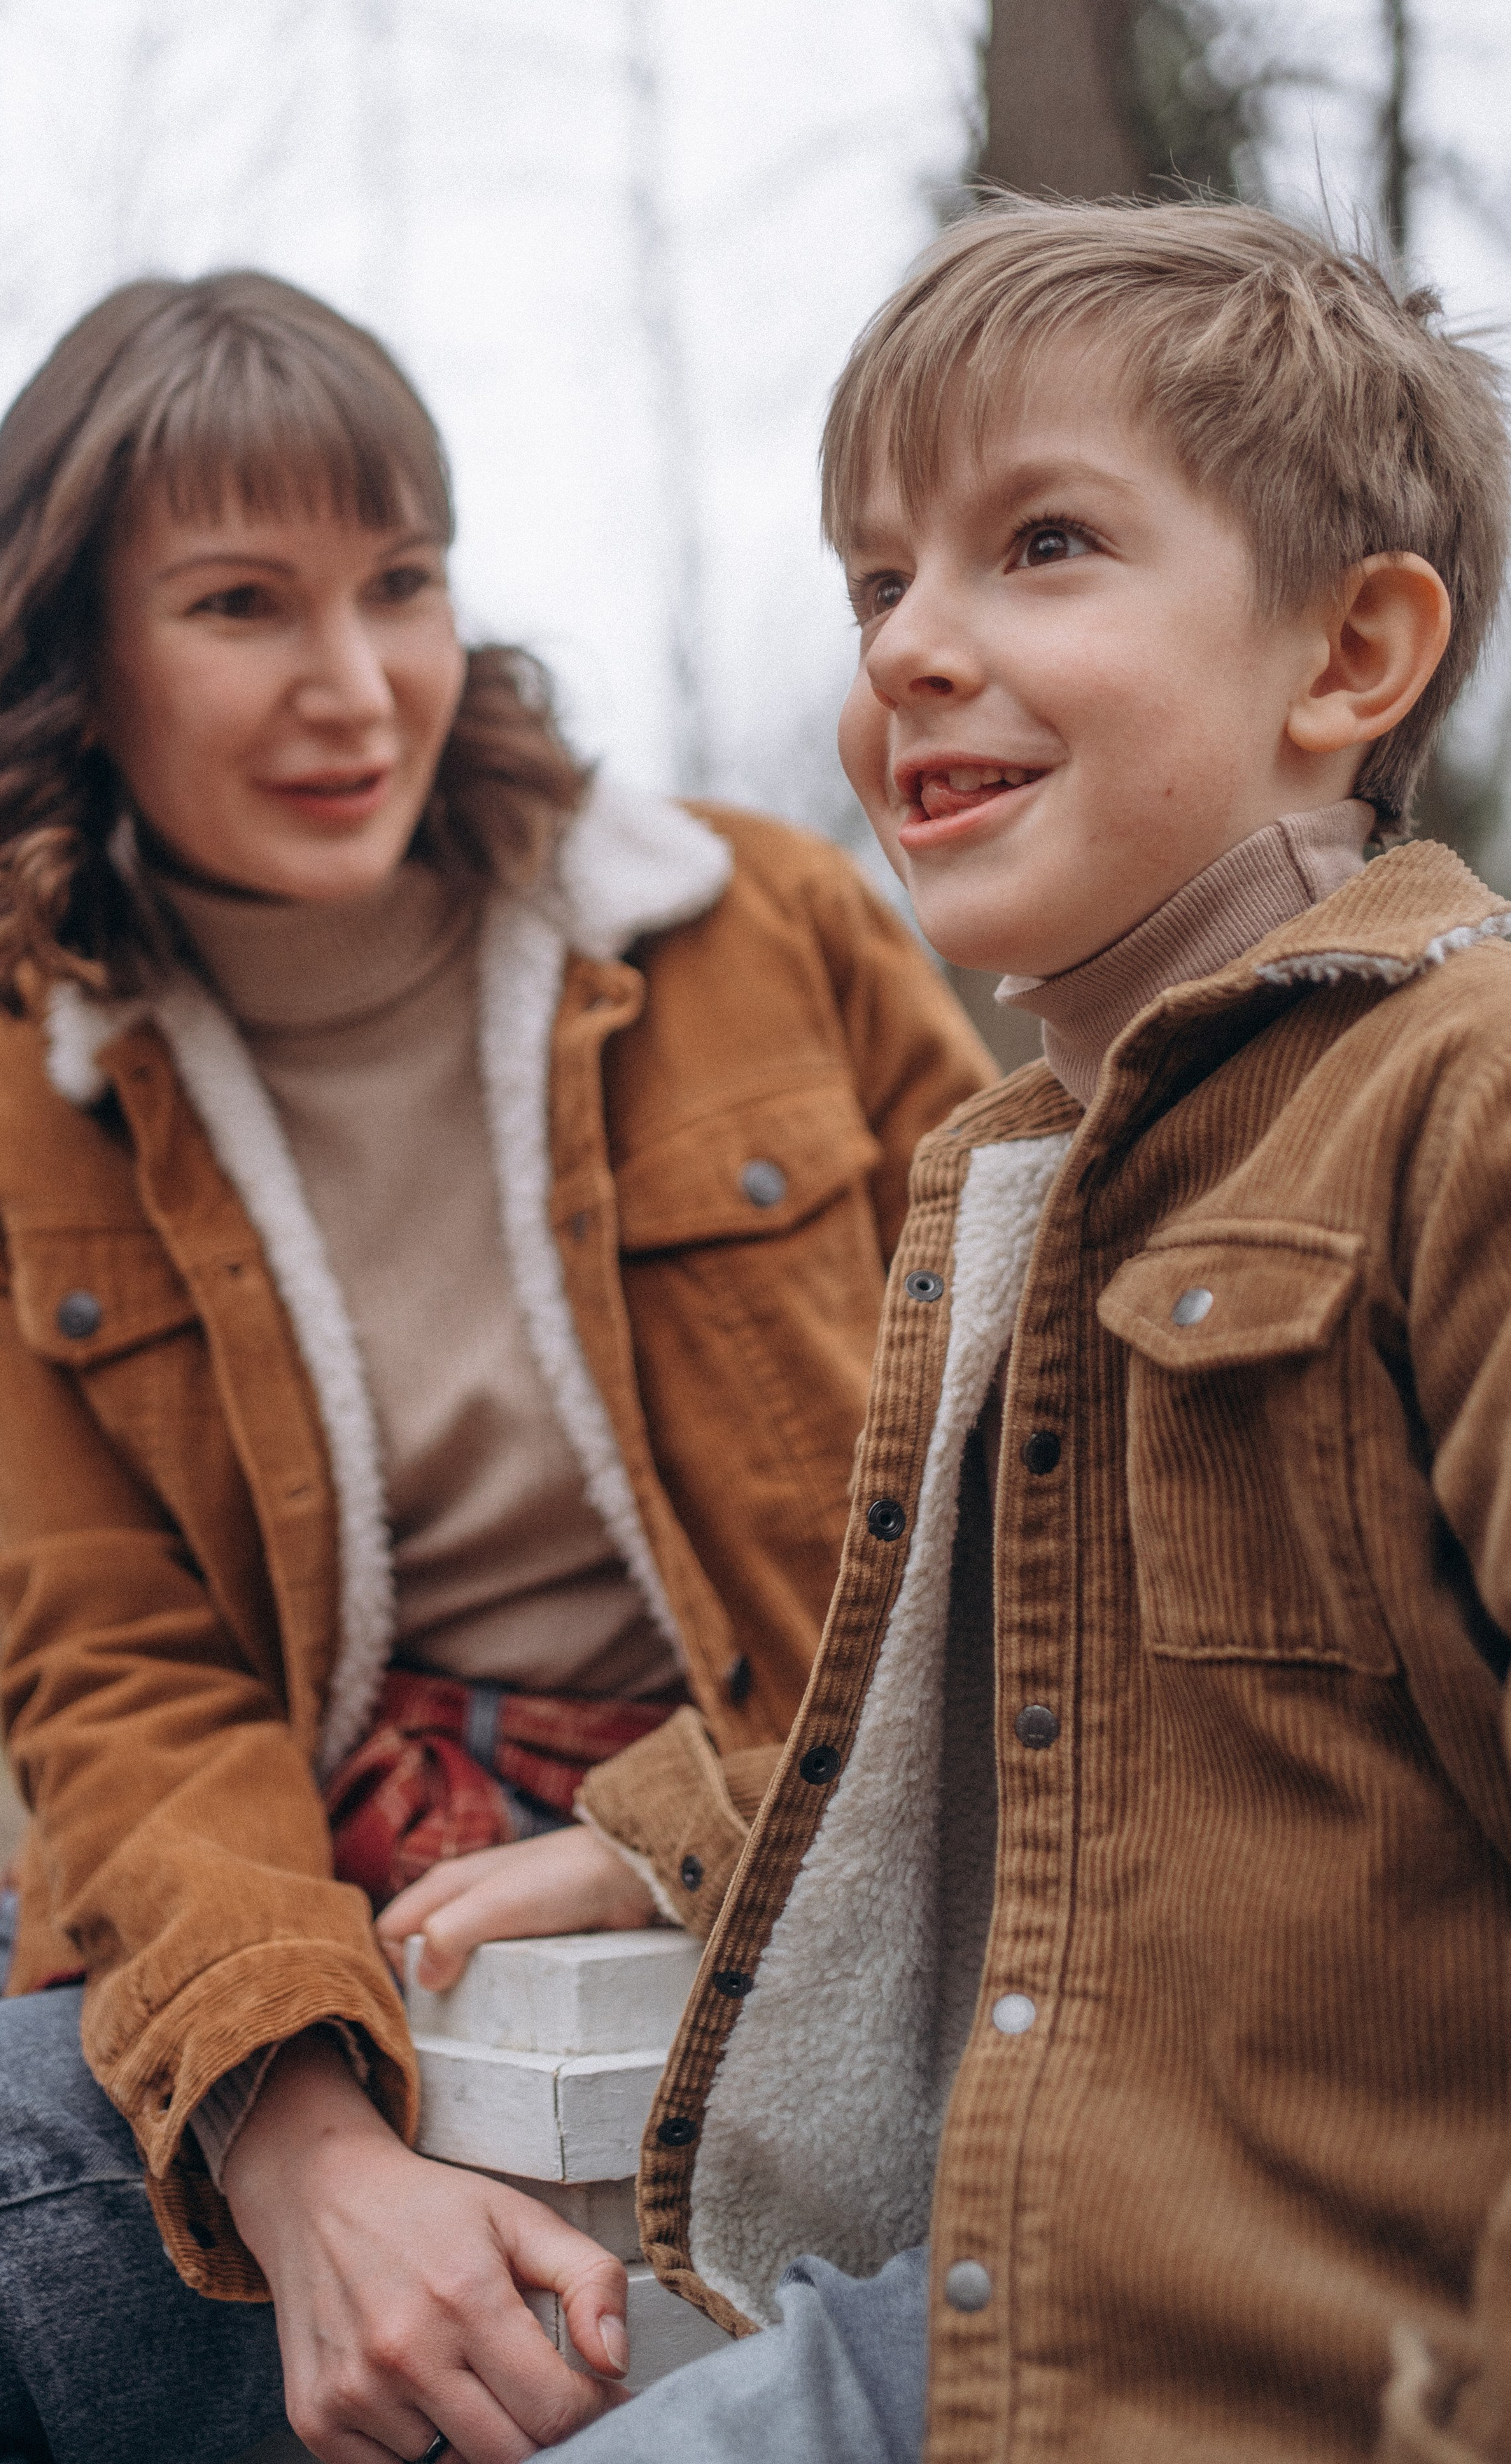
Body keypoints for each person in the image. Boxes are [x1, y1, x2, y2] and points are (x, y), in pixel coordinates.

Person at [0, 270, 993, 2464]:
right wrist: (293, 2145)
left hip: (697, 1856)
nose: (354, 684)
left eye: (400, 583)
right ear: (77, 661)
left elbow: (1023, 1485)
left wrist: (673, 1828)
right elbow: (118, 1660)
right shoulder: (6, 1098)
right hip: (266, 1890)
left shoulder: (763, 929)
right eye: (242, 603)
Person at [546, 198, 1511, 2464]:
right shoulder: (1030, 1171)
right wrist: (681, 1827)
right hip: (1015, 2308)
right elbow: (1116, 1746)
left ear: (1352, 652)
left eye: (1042, 545)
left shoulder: (1461, 1099)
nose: (907, 646)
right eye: (876, 581)